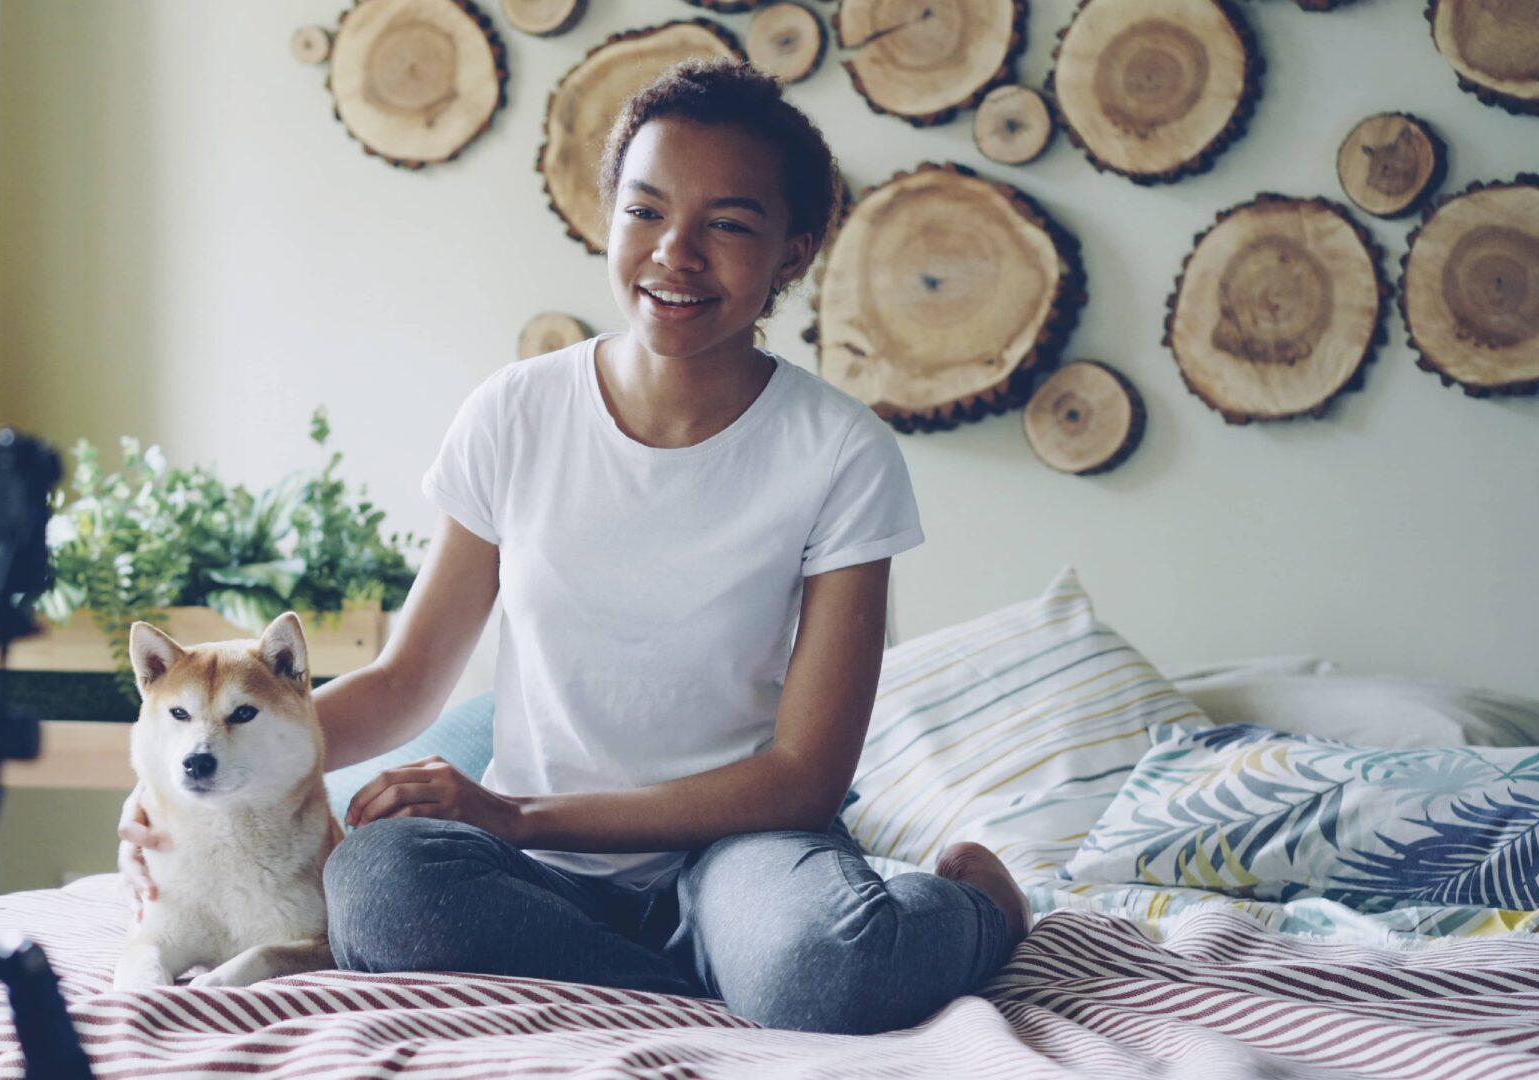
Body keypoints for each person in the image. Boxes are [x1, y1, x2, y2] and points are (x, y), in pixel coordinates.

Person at [120, 58, 1028, 1035]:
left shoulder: (840, 451)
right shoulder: (516, 411)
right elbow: (408, 682)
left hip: (739, 848)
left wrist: (517, 816)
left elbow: (804, 773)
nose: (675, 252)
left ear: (793, 253)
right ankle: (714, 980)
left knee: (824, 965)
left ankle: (979, 910)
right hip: (528, 869)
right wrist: (178, 782)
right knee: (378, 887)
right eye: (645, 211)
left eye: (727, 224)